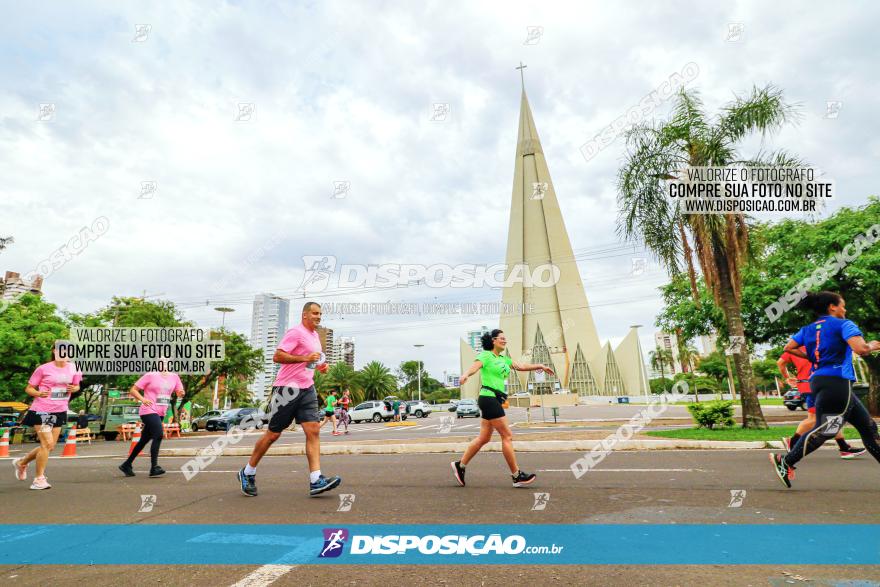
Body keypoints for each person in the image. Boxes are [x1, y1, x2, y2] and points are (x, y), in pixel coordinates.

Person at [769, 291, 880, 488]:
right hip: (837, 381)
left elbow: (789, 347)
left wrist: (813, 357)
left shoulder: (808, 329)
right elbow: (861, 349)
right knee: (827, 429)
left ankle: (786, 461)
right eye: (842, 305)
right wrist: (872, 345)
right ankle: (785, 461)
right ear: (832, 307)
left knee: (868, 428)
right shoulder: (844, 324)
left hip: (820, 380)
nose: (844, 309)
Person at [238, 301, 341, 497]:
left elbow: (313, 362)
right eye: (315, 313)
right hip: (286, 390)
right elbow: (277, 356)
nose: (318, 317)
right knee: (273, 435)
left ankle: (316, 479)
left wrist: (320, 367)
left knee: (313, 431)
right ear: (305, 315)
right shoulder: (296, 332)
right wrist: (304, 359)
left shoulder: (315, 337)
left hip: (307, 388)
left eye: (320, 314)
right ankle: (247, 471)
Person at [451, 328, 554, 488]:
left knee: (484, 438)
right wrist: (465, 375)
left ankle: (460, 465)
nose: (504, 340)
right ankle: (516, 475)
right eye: (501, 338)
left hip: (495, 399)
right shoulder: (486, 355)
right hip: (488, 397)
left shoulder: (504, 359)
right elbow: (475, 367)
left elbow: (520, 366)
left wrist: (540, 365)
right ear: (493, 340)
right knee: (507, 435)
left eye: (505, 338)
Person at [13, 346, 82, 490]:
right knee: (47, 443)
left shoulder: (74, 368)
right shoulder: (43, 368)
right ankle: (39, 479)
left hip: (59, 410)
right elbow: (29, 388)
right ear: (54, 352)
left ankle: (22, 462)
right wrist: (38, 393)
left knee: (50, 446)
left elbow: (77, 386)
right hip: (43, 410)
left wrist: (73, 388)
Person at [778, 346, 864, 458]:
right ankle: (793, 442)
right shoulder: (821, 344)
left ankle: (844, 447)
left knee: (831, 416)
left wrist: (787, 377)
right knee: (815, 419)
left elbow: (780, 362)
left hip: (808, 385)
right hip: (816, 386)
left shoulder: (794, 348)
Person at [118, 362, 184, 477]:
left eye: (166, 362)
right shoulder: (150, 375)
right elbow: (133, 390)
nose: (163, 364)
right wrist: (143, 399)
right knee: (158, 434)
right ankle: (154, 467)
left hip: (161, 412)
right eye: (160, 362)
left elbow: (179, 392)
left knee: (143, 440)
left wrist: (181, 393)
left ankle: (127, 464)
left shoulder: (174, 377)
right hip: (148, 410)